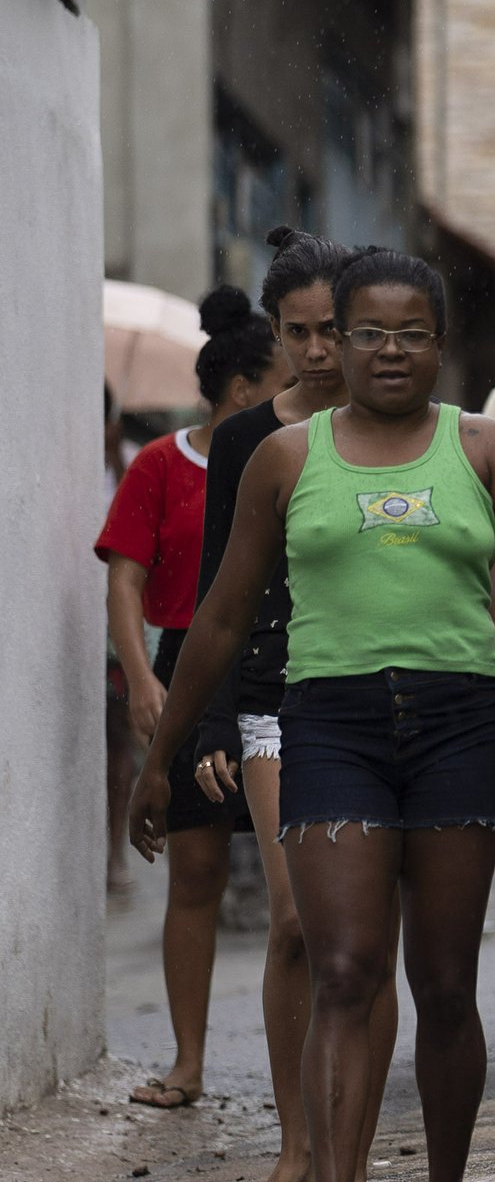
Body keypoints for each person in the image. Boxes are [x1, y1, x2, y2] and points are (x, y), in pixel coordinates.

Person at [140, 248, 495, 1182]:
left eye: (413, 333)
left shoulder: (485, 448)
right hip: (329, 721)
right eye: (368, 333)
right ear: (331, 341)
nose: (390, 352)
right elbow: (223, 613)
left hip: (459, 725)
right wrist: (161, 757)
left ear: (441, 343)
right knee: (341, 965)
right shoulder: (286, 458)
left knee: (442, 984)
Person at [132, 231, 401, 1182]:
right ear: (276, 334)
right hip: (273, 703)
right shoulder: (250, 440)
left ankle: (358, 1160)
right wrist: (196, 721)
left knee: (366, 941)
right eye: (301, 332)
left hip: (386, 693)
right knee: (296, 926)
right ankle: (298, 1147)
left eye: (338, 327)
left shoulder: (406, 426)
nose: (323, 349)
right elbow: (220, 594)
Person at [101, 287, 287, 1109]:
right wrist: (144, 679)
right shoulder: (159, 465)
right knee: (197, 868)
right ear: (245, 386)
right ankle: (187, 1060)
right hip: (188, 661)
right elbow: (124, 578)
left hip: (280, 657)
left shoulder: (296, 451)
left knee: (306, 878)